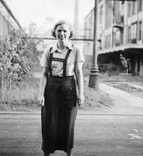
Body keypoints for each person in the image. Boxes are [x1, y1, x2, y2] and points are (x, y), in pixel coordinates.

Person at [38, 20, 85, 156]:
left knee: (68, 124)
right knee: (49, 123)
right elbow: (44, 74)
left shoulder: (76, 50)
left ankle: (68, 154)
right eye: (59, 31)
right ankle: (46, 153)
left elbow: (79, 73)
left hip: (69, 89)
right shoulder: (49, 50)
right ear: (55, 33)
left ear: (70, 33)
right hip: (51, 90)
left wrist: (81, 94)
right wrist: (41, 94)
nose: (62, 33)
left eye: (65, 31)